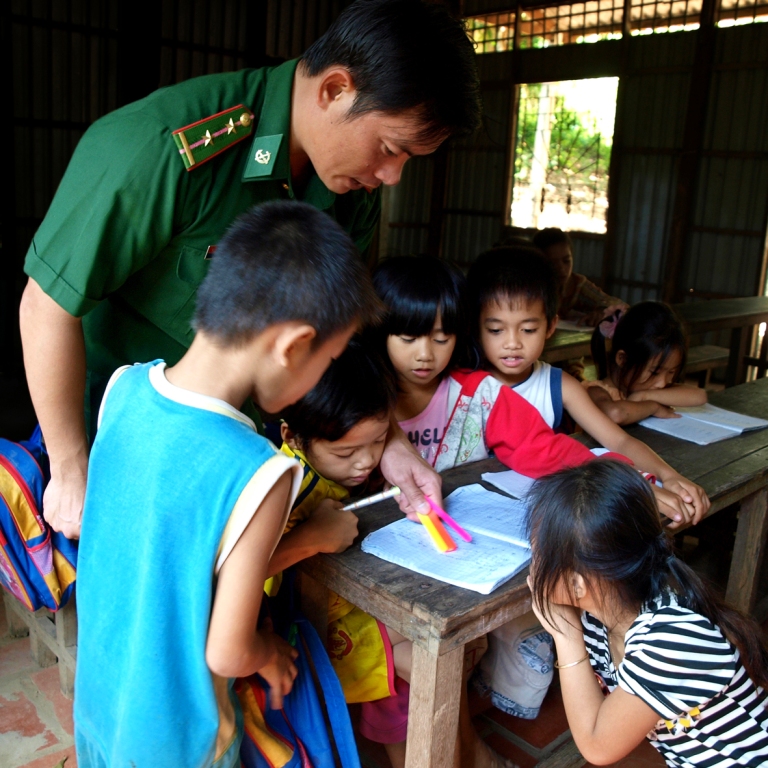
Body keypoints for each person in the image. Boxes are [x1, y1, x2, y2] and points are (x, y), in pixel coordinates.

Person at [19, 0, 481, 539]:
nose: (392, 175)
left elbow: (335, 337)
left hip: (239, 443)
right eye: (388, 148)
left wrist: (392, 445)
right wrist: (71, 468)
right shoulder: (163, 147)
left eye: (407, 160)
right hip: (114, 439)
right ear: (335, 89)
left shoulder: (352, 187)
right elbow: (47, 306)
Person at [73, 201, 381, 768]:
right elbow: (228, 649)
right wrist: (271, 656)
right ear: (293, 346)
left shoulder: (122, 390)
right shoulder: (261, 472)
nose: (321, 378)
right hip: (179, 741)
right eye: (328, 360)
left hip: (99, 708)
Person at [527, 459, 768, 767]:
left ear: (576, 585)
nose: (532, 566)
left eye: (536, 554)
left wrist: (565, 636)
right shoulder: (604, 620)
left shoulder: (672, 640)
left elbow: (598, 746)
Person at [465, 246, 710, 528]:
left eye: (528, 329)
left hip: (545, 522)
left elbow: (619, 441)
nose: (512, 343)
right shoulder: (462, 386)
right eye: (496, 330)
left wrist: (669, 475)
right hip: (473, 518)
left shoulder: (559, 386)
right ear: (475, 326)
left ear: (551, 326)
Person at [372, 256, 624, 477]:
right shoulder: (359, 396)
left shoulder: (481, 395)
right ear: (377, 332)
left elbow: (542, 448)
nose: (425, 355)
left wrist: (611, 478)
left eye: (441, 339)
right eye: (408, 339)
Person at [585, 301, 708, 425]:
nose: (662, 383)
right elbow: (615, 414)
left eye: (671, 372)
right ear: (623, 359)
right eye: (654, 372)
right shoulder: (595, 391)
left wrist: (644, 396)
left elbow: (700, 396)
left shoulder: (647, 388)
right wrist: (653, 407)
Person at [532, 228, 626, 326]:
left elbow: (617, 304)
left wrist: (601, 311)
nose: (562, 269)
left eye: (566, 261)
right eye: (552, 263)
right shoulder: (529, 287)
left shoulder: (575, 284)